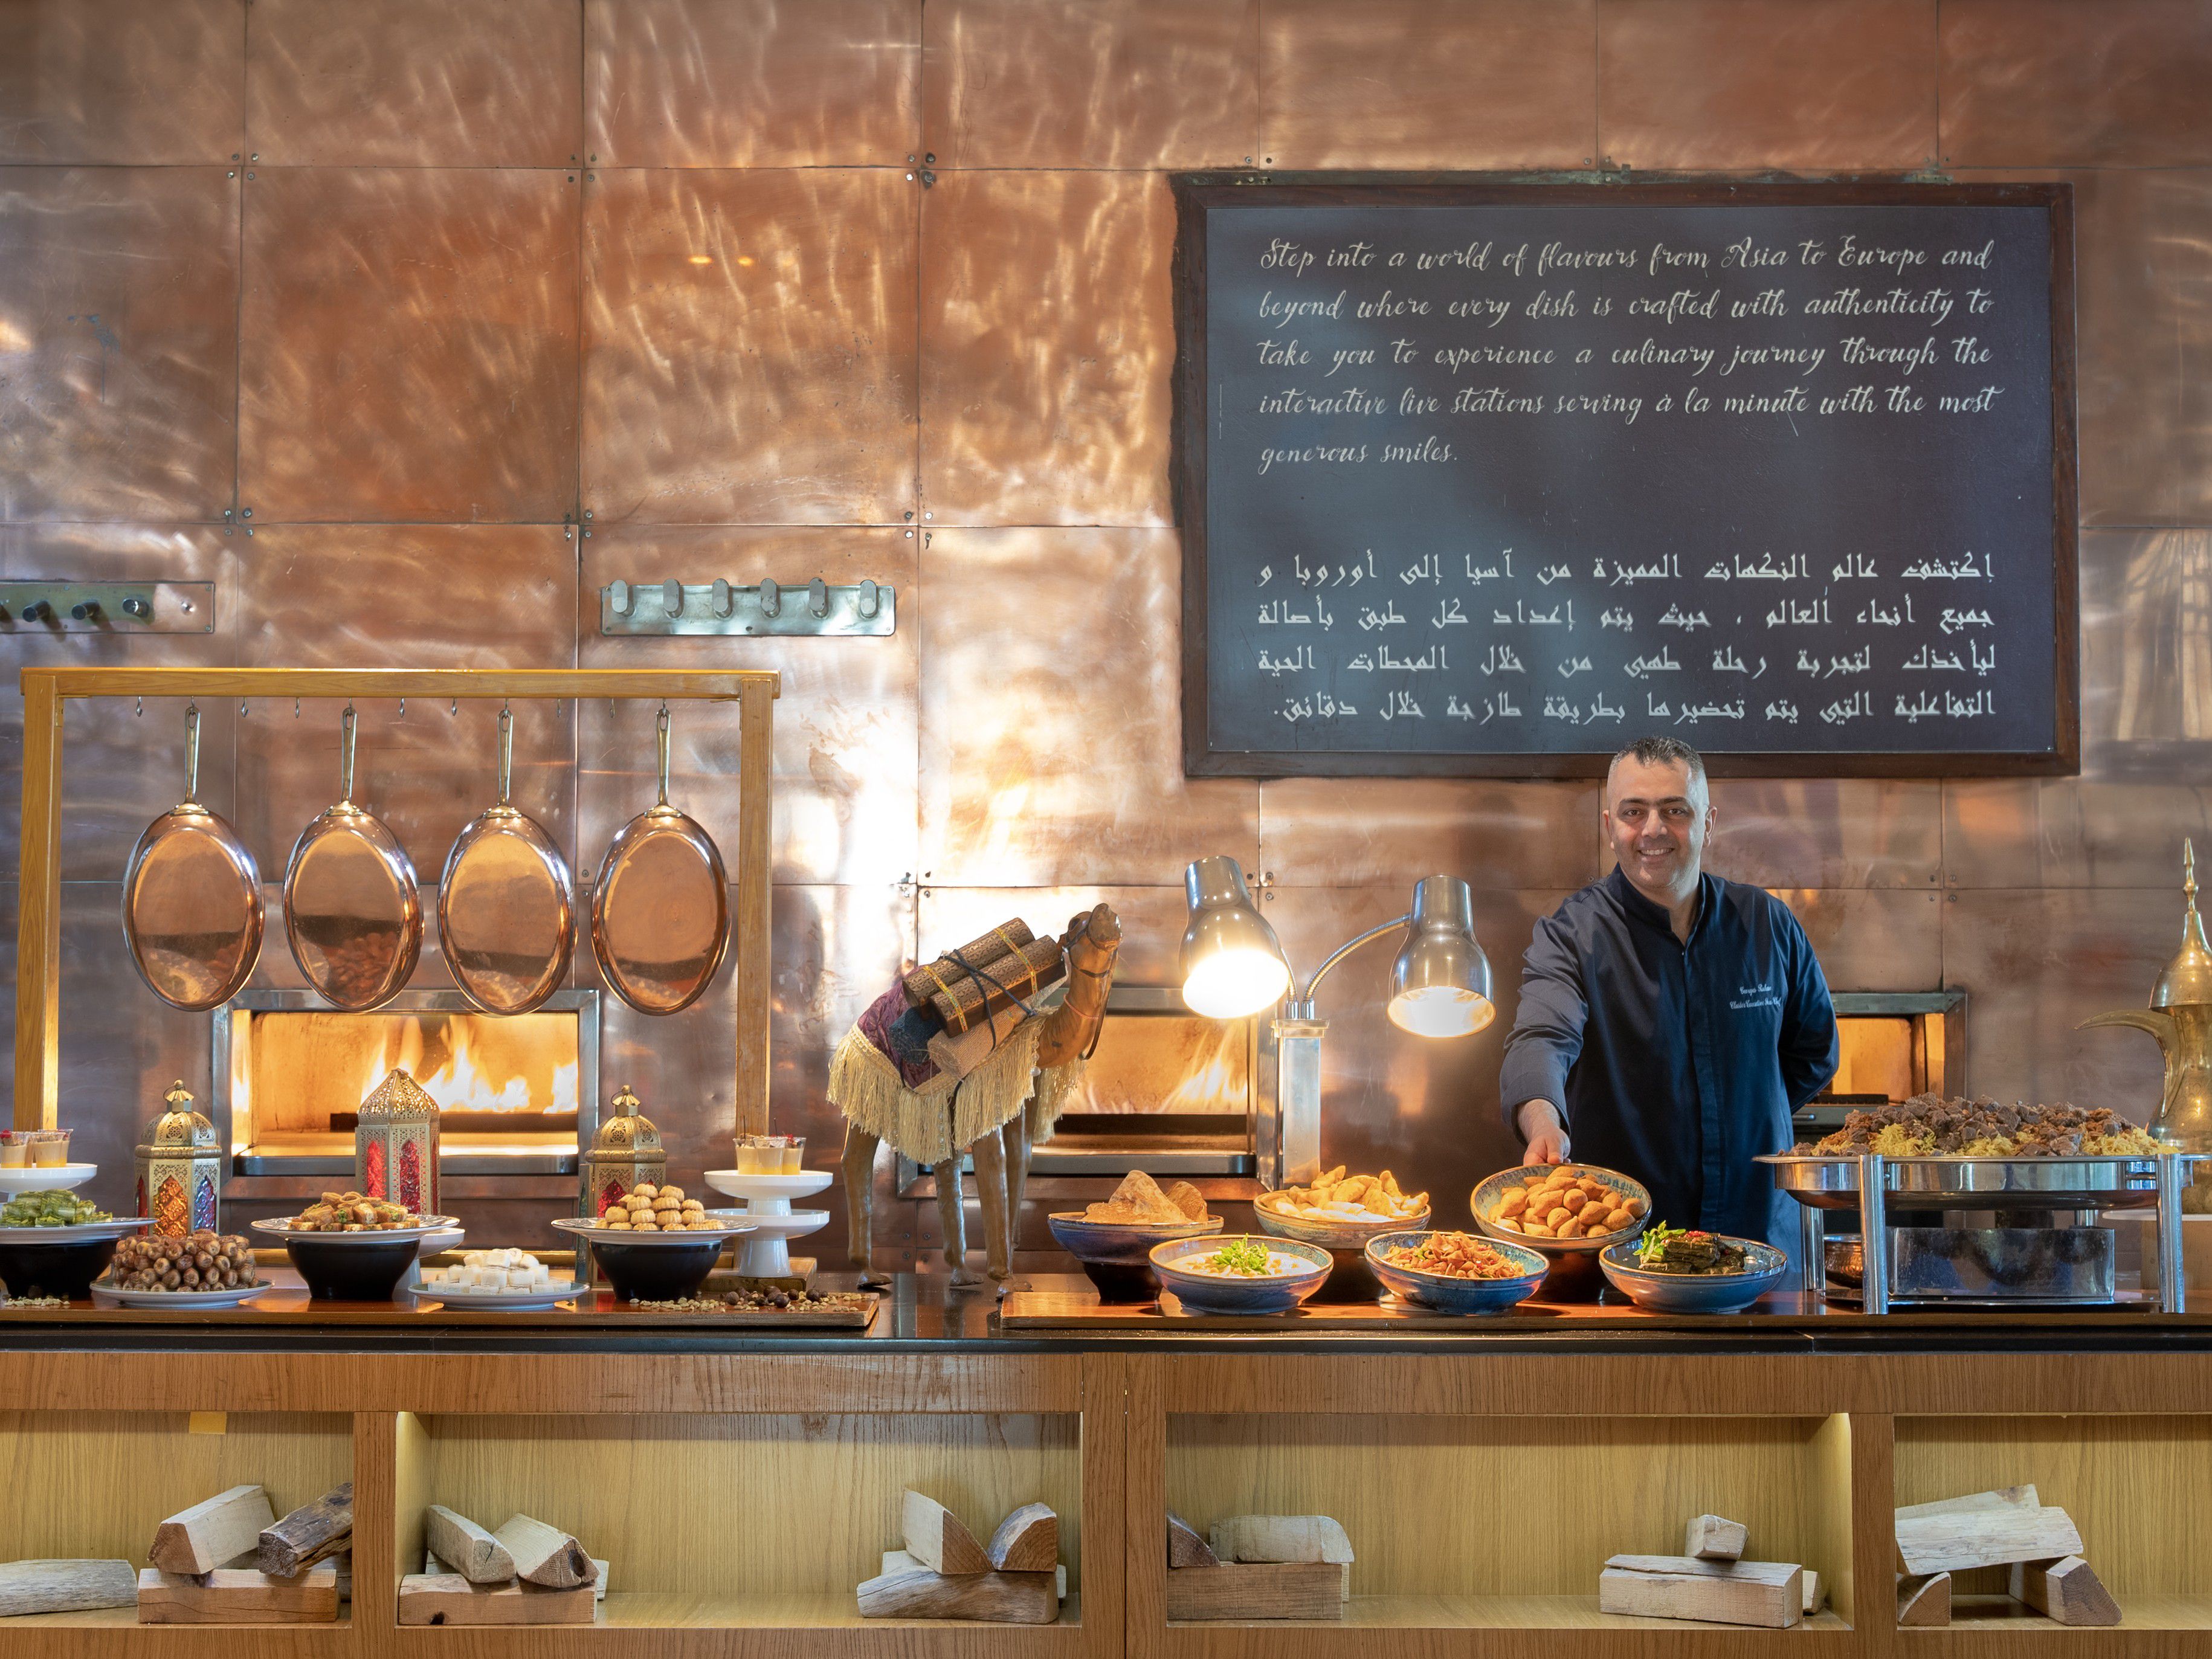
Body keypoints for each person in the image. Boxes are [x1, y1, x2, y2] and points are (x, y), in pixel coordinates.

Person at [1498, 736, 1838, 1249]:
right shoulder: (1572, 933)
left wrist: (1741, 1110)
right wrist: (1544, 1118)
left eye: (1674, 810)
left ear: (1707, 821)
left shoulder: (1767, 923)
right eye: (1633, 812)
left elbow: (1814, 1052)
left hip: (1757, 1242)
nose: (1653, 829)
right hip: (1626, 1248)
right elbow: (1542, 1035)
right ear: (1609, 827)